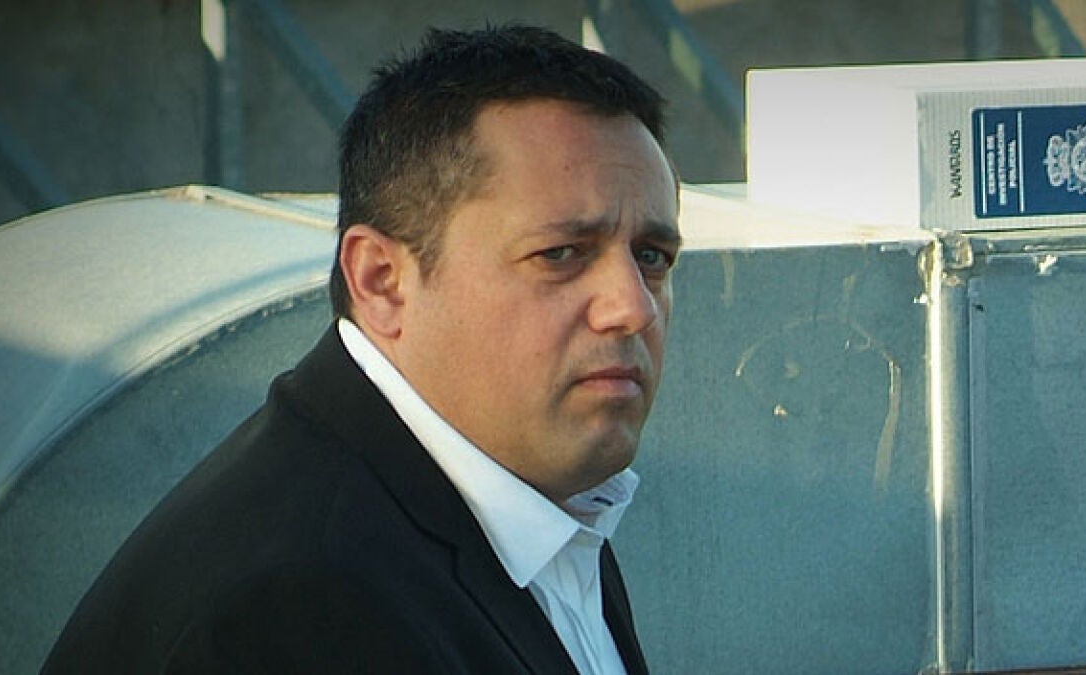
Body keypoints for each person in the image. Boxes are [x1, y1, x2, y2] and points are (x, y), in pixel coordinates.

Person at [42, 23, 680, 674]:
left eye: (652, 257)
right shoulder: (299, 606)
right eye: (561, 254)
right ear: (381, 281)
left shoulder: (536, 501)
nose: (633, 307)